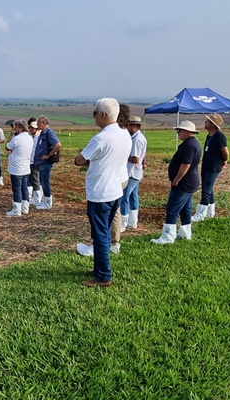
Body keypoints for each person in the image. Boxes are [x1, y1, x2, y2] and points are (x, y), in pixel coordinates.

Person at [74, 98, 131, 287]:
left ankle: (103, 276)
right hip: (115, 190)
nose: (94, 117)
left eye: (95, 113)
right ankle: (100, 267)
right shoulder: (124, 134)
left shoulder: (101, 138)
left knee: (99, 234)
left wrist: (83, 157)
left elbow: (79, 160)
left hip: (100, 192)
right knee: (104, 232)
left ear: (103, 115)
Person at [151, 120, 202, 244]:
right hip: (190, 182)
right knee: (186, 209)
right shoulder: (194, 143)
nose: (178, 133)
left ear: (186, 131)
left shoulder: (189, 145)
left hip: (184, 183)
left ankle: (167, 237)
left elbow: (186, 164)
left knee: (172, 208)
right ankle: (185, 232)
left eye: (179, 130)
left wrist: (177, 179)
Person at [192, 113, 229, 222]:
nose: (205, 122)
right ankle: (210, 212)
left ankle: (200, 214)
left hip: (214, 166)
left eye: (207, 121)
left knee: (206, 190)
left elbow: (225, 151)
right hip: (207, 165)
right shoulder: (209, 136)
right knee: (209, 188)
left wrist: (224, 160)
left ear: (212, 124)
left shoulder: (219, 136)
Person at [120, 116, 147, 230]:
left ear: (134, 127)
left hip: (132, 173)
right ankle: (132, 222)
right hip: (136, 173)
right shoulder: (139, 137)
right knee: (133, 197)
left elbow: (135, 159)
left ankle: (123, 224)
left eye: (128, 126)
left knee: (124, 198)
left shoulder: (137, 140)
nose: (126, 128)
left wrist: (122, 156)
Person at [5, 120, 33, 216]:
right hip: (26, 168)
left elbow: (7, 147)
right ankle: (25, 208)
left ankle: (16, 210)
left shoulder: (16, 139)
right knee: (24, 188)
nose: (14, 129)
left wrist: (11, 135)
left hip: (16, 168)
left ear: (20, 128)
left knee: (16, 189)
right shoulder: (30, 138)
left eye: (16, 127)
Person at [34, 115, 61, 210]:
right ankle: (45, 201)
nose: (37, 125)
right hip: (41, 162)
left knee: (45, 182)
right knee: (42, 182)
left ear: (43, 123)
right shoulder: (42, 133)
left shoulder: (49, 132)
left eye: (38, 123)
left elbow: (57, 144)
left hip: (45, 162)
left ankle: (47, 203)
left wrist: (49, 155)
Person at [27, 118, 42, 205]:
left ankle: (37, 199)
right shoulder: (32, 137)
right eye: (30, 128)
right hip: (30, 161)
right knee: (32, 180)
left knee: (36, 180)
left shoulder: (38, 138)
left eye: (33, 128)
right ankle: (33, 197)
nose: (31, 129)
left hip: (35, 162)